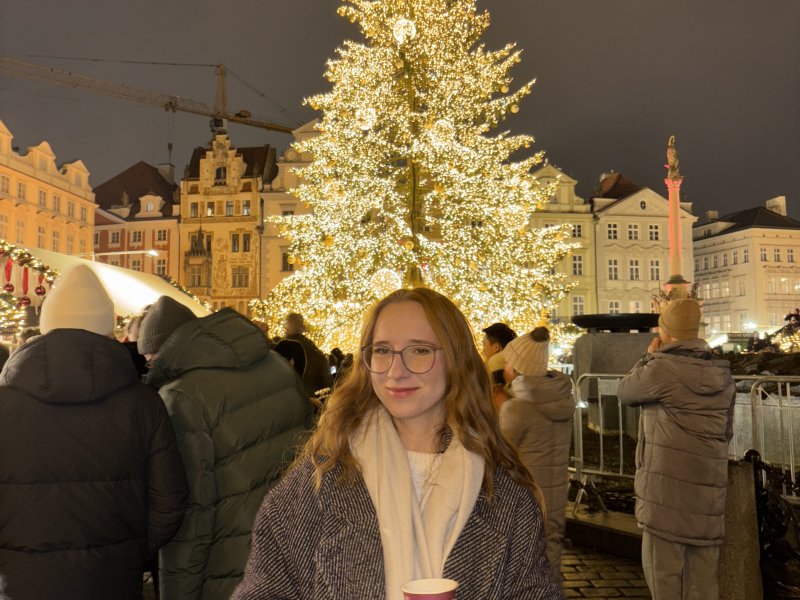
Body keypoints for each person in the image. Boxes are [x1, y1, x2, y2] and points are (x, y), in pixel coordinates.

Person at [232, 288, 561, 600]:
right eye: (383, 351)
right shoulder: (318, 479)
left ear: (456, 359)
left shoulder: (505, 492)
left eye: (420, 350)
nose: (396, 371)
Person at [0, 265, 188, 600]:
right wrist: (131, 548)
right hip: (113, 579)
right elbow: (169, 502)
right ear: (105, 328)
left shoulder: (5, 403)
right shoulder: (144, 403)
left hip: (20, 582)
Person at [138, 296, 314, 599]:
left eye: (149, 357)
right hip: (294, 550)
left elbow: (193, 516)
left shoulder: (181, 397)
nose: (148, 364)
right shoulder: (276, 364)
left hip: (229, 571)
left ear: (163, 351)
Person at [617, 299, 735, 599]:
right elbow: (727, 431)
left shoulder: (662, 369)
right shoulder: (721, 374)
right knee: (703, 584)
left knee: (664, 579)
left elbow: (626, 392)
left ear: (665, 330)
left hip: (665, 493)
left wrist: (647, 359)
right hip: (707, 492)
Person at [499, 326, 574, 582]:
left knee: (524, 557)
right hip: (555, 490)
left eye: (509, 361)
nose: (505, 365)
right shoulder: (560, 400)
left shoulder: (517, 408)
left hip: (526, 493)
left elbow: (499, 450)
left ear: (518, 368)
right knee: (550, 548)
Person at [274, 312, 333, 398]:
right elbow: (325, 372)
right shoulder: (311, 346)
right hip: (313, 396)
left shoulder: (283, 347)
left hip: (293, 397)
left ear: (287, 327)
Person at [481, 322, 517, 408]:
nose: (483, 350)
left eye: (484, 345)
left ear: (496, 347)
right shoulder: (518, 367)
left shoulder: (494, 367)